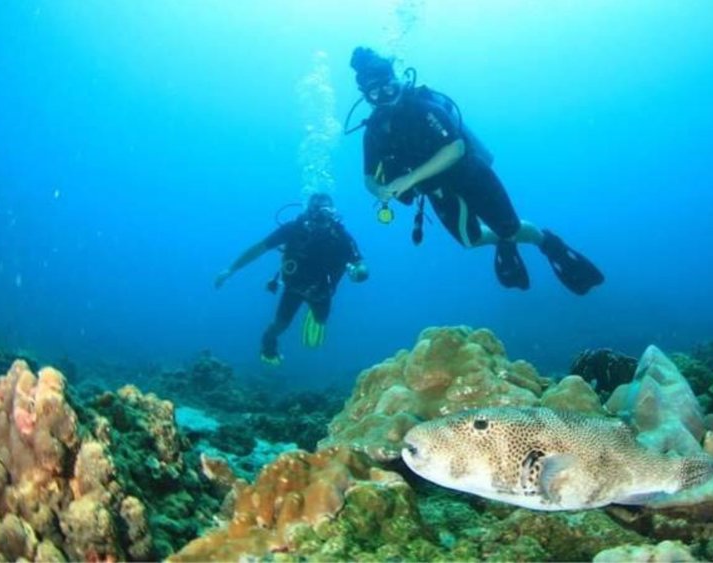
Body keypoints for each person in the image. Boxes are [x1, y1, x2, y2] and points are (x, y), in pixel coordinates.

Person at [347, 46, 604, 295]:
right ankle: (504, 241)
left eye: (389, 86)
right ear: (365, 96)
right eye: (375, 93)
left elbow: (456, 148)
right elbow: (368, 177)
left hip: (470, 176)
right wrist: (379, 190)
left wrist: (410, 178)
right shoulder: (374, 131)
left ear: (397, 80)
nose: (385, 96)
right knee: (471, 242)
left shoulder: (423, 107)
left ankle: (547, 243)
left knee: (511, 228)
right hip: (437, 192)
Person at [214, 192, 368, 364]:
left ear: (332, 212)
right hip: (294, 288)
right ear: (308, 210)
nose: (320, 215)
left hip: (322, 292)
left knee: (321, 320)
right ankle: (268, 346)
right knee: (279, 325)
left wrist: (359, 274)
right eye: (315, 209)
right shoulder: (293, 229)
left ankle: (312, 315)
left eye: (324, 210)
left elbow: (360, 263)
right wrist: (231, 269)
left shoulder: (341, 237)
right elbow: (259, 248)